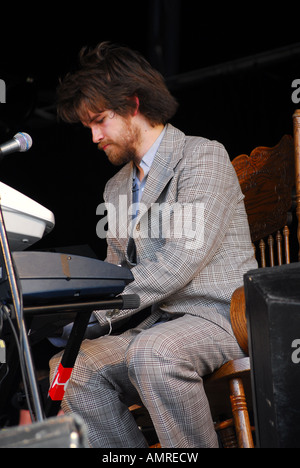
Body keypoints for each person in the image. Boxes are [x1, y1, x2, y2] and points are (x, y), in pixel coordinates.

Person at [50, 42, 257, 448]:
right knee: (71, 367)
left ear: (133, 105)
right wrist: (74, 314)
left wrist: (99, 309)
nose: (93, 136)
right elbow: (113, 275)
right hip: (156, 326)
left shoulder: (202, 156)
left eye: (100, 121)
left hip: (220, 316)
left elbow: (180, 259)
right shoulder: (116, 187)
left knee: (154, 353)